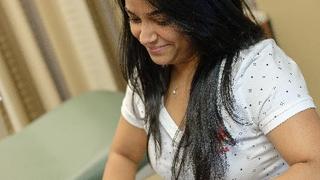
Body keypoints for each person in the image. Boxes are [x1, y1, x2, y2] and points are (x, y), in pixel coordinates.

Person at [103, 0, 320, 179]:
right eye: (135, 19)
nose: (145, 36)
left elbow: (314, 164)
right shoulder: (148, 76)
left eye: (161, 19)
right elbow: (123, 155)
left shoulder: (255, 67)